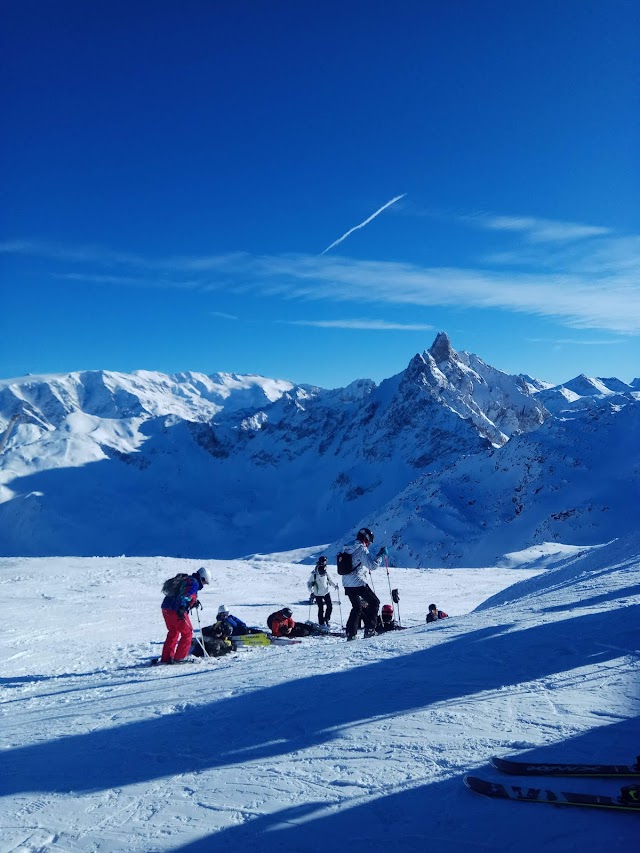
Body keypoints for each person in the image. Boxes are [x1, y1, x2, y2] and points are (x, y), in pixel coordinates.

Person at [340, 527, 387, 640]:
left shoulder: (347, 547)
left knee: (357, 607)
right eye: (369, 542)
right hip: (358, 582)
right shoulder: (361, 548)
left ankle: (351, 633)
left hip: (346, 583)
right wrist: (380, 555)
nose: (369, 544)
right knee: (375, 602)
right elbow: (372, 565)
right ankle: (370, 630)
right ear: (366, 539)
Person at [160, 566, 211, 664]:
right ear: (202, 578)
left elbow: (181, 595)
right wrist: (182, 607)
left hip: (166, 608)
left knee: (173, 632)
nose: (204, 585)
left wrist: (192, 604)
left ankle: (166, 658)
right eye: (205, 582)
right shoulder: (194, 583)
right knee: (187, 633)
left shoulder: (187, 580)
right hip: (176, 610)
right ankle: (180, 658)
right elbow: (185, 596)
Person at [307, 556, 339, 627]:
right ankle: (321, 622)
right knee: (321, 608)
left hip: (326, 591)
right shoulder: (314, 574)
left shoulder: (326, 570)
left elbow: (330, 579)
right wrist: (311, 589)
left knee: (329, 606)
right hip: (317, 593)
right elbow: (309, 582)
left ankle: (327, 619)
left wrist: (334, 586)